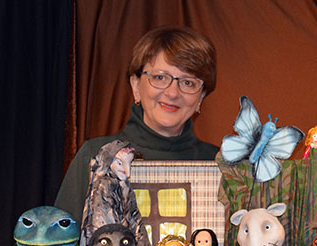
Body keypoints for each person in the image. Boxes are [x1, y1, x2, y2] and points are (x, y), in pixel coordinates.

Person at [55, 25, 219, 224]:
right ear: (135, 86)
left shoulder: (220, 165)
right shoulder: (96, 155)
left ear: (201, 97)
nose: (173, 93)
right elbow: (60, 240)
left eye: (188, 82)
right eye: (159, 77)